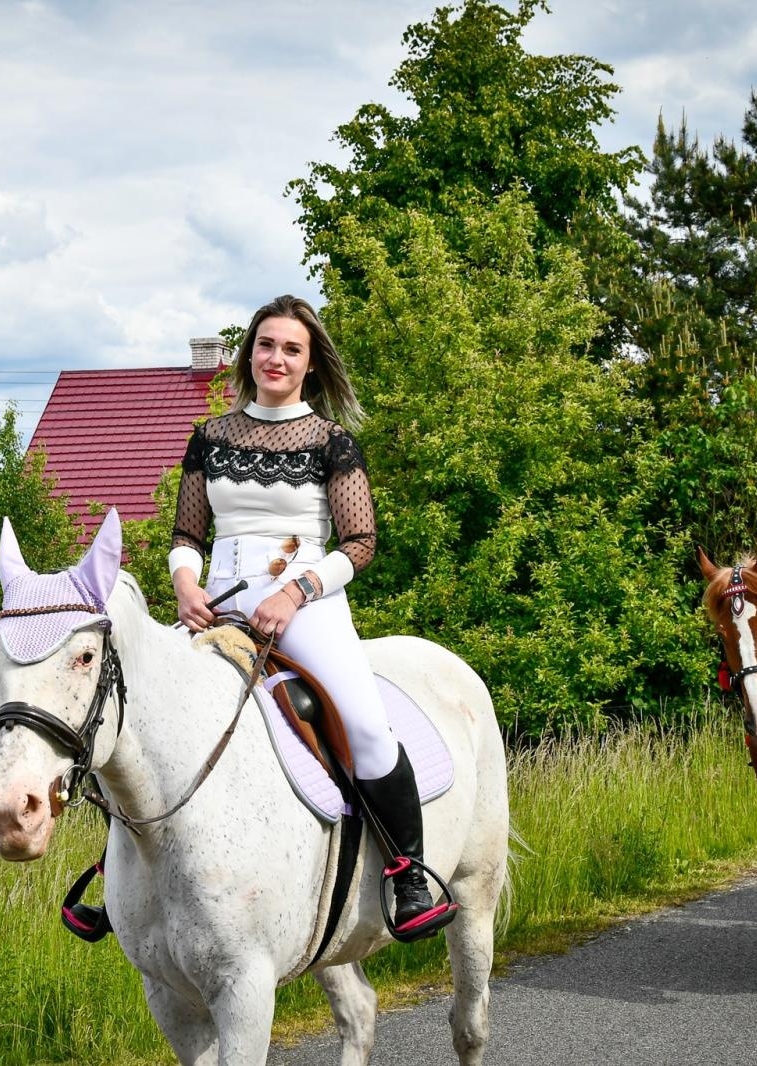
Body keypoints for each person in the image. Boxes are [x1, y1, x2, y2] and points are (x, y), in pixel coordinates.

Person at [169, 294, 452, 940]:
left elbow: (360, 544)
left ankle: (409, 876)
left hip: (305, 601)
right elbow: (187, 535)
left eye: (291, 348)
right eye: (266, 345)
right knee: (142, 705)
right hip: (216, 601)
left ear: (310, 364)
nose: (276, 358)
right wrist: (185, 584)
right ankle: (122, 874)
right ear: (249, 354)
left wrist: (292, 595)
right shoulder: (209, 437)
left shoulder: (332, 443)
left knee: (367, 728)